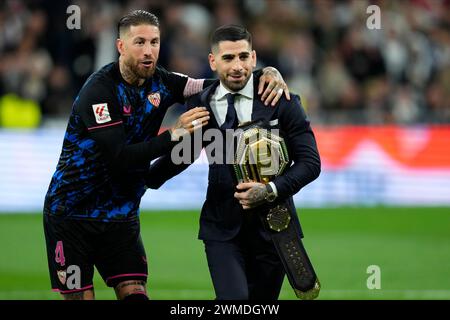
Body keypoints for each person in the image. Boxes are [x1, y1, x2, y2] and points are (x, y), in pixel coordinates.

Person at [43, 10, 290, 300]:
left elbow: (215, 85)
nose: (148, 51)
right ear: (121, 46)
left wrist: (264, 73)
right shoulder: (99, 91)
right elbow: (119, 158)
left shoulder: (163, 82)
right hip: (72, 213)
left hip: (121, 214)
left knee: (136, 293)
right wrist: (173, 136)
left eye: (154, 42)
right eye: (139, 42)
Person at [148, 24, 321, 300]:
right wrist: (140, 173)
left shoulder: (281, 100)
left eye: (243, 57)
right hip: (221, 230)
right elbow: (179, 159)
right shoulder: (200, 105)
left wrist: (270, 191)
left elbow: (311, 163)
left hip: (274, 229)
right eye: (228, 58)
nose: (237, 65)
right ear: (212, 61)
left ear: (253, 58)